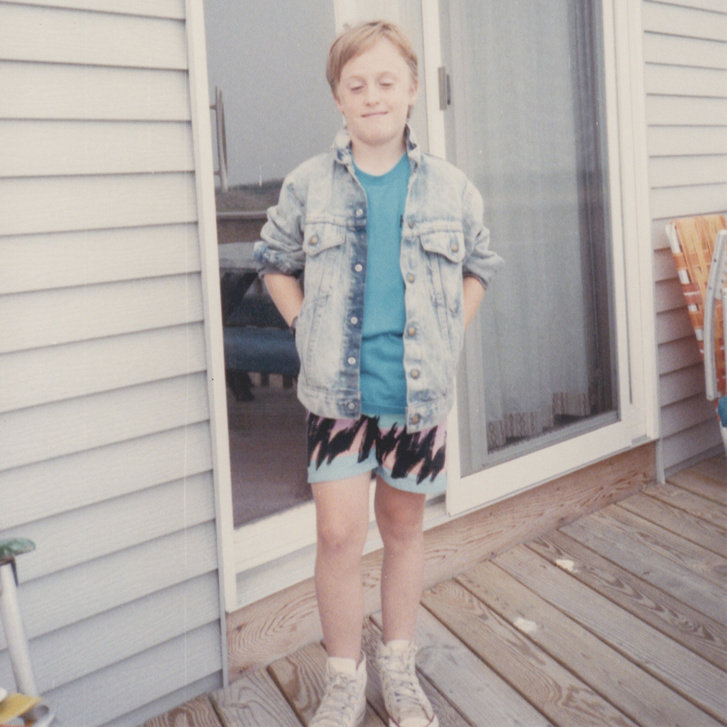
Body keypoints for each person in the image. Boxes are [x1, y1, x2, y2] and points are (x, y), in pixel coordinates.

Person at [254, 20, 503, 727]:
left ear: (412, 89)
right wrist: (303, 324)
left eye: (386, 82)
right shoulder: (308, 184)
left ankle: (397, 665)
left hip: (416, 396)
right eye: (356, 85)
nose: (372, 96)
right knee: (338, 534)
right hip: (336, 395)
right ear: (338, 98)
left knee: (402, 527)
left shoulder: (451, 187)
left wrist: (448, 331)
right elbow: (273, 260)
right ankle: (343, 675)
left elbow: (479, 265)